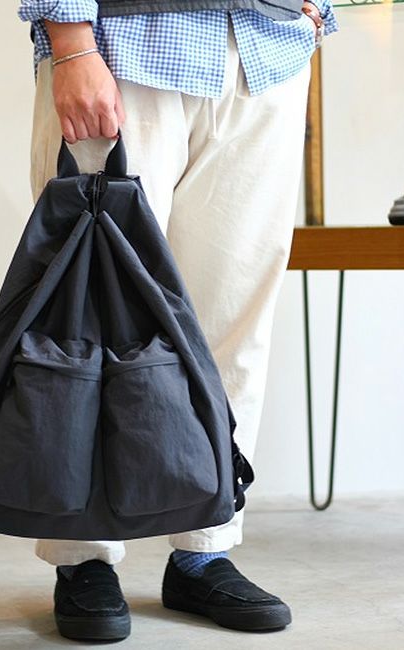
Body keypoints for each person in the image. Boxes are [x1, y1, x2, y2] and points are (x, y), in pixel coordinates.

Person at [17, 0, 338, 642]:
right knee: (91, 315)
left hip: (265, 50)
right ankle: (83, 557)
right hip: (126, 44)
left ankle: (204, 548)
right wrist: (71, 43)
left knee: (232, 319)